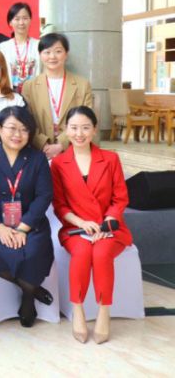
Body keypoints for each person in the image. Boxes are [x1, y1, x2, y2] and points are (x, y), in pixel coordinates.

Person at [51, 106, 132, 344]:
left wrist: (106, 224)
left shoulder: (110, 159)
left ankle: (104, 311)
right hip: (76, 229)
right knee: (83, 252)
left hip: (110, 227)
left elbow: (120, 198)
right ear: (65, 130)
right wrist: (82, 223)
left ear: (95, 130)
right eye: (74, 128)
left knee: (102, 253)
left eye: (85, 128)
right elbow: (59, 205)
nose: (79, 134)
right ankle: (77, 310)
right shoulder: (59, 163)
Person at [0, 106, 54, 327]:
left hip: (32, 225)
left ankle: (27, 299)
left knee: (33, 252)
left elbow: (44, 196)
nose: (18, 134)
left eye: (24, 129)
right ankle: (32, 289)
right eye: (12, 128)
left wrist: (23, 228)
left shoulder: (37, 159)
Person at [22, 33, 93, 159]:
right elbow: (26, 121)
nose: (52, 56)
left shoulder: (82, 84)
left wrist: (61, 145)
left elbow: (87, 118)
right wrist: (43, 144)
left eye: (58, 51)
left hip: (74, 150)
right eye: (47, 52)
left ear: (66, 54)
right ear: (40, 55)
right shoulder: (29, 86)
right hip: (39, 152)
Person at [0, 2, 40, 93]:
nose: (21, 22)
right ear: (10, 22)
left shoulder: (38, 45)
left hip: (35, 94)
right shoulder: (2, 48)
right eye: (17, 19)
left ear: (30, 20)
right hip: (10, 94)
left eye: (25, 18)